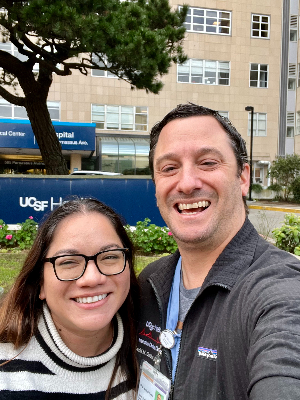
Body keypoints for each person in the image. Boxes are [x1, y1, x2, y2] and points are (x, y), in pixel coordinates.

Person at [136, 103, 300, 399]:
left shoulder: (281, 292)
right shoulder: (150, 283)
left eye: (208, 163)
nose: (186, 184)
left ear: (243, 177)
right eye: (169, 168)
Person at [0, 198, 139, 399]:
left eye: (110, 256)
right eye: (68, 262)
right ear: (40, 283)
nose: (92, 278)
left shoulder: (149, 348)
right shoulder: (6, 374)